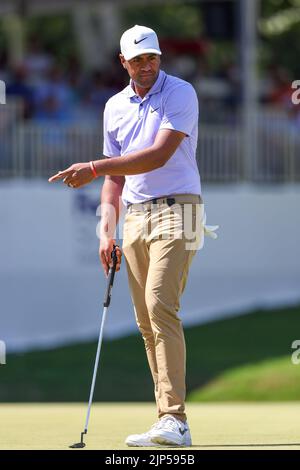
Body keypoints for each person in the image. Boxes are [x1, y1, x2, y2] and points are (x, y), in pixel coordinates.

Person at [49, 25, 218, 447]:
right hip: (136, 217)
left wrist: (94, 167)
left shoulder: (180, 93)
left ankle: (175, 419)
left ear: (159, 59)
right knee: (146, 322)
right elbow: (117, 177)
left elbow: (158, 154)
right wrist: (106, 231)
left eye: (152, 58)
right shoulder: (114, 107)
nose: (146, 66)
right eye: (137, 60)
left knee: (161, 305)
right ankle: (166, 418)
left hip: (183, 209)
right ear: (123, 63)